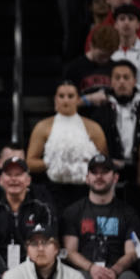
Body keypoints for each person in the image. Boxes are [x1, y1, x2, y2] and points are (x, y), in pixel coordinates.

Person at [26, 81, 107, 209]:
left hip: (84, 190)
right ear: (55, 99)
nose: (66, 100)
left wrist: (86, 164)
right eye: (61, 96)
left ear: (78, 99)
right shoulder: (43, 127)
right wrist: (51, 162)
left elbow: (104, 161)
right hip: (53, 190)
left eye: (70, 96)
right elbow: (30, 163)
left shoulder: (93, 127)